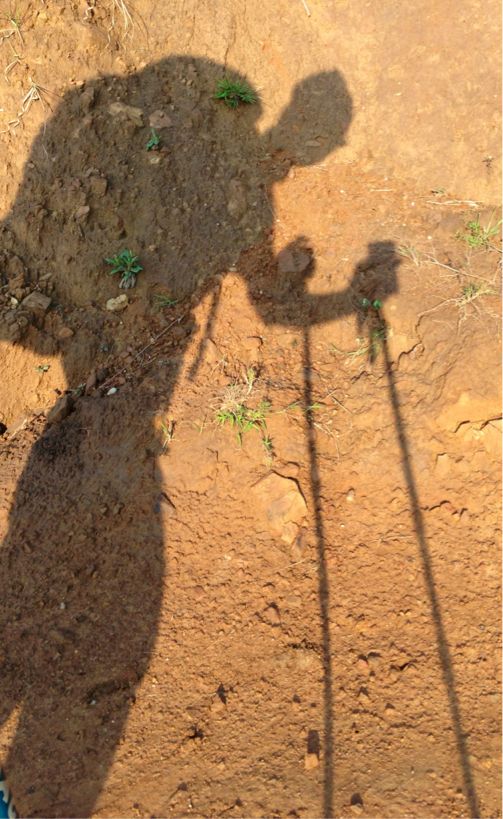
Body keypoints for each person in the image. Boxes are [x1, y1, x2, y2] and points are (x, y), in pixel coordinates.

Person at [0, 56, 397, 815]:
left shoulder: (220, 156)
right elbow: (274, 309)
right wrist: (353, 298)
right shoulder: (246, 193)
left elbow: (269, 297)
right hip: (121, 396)